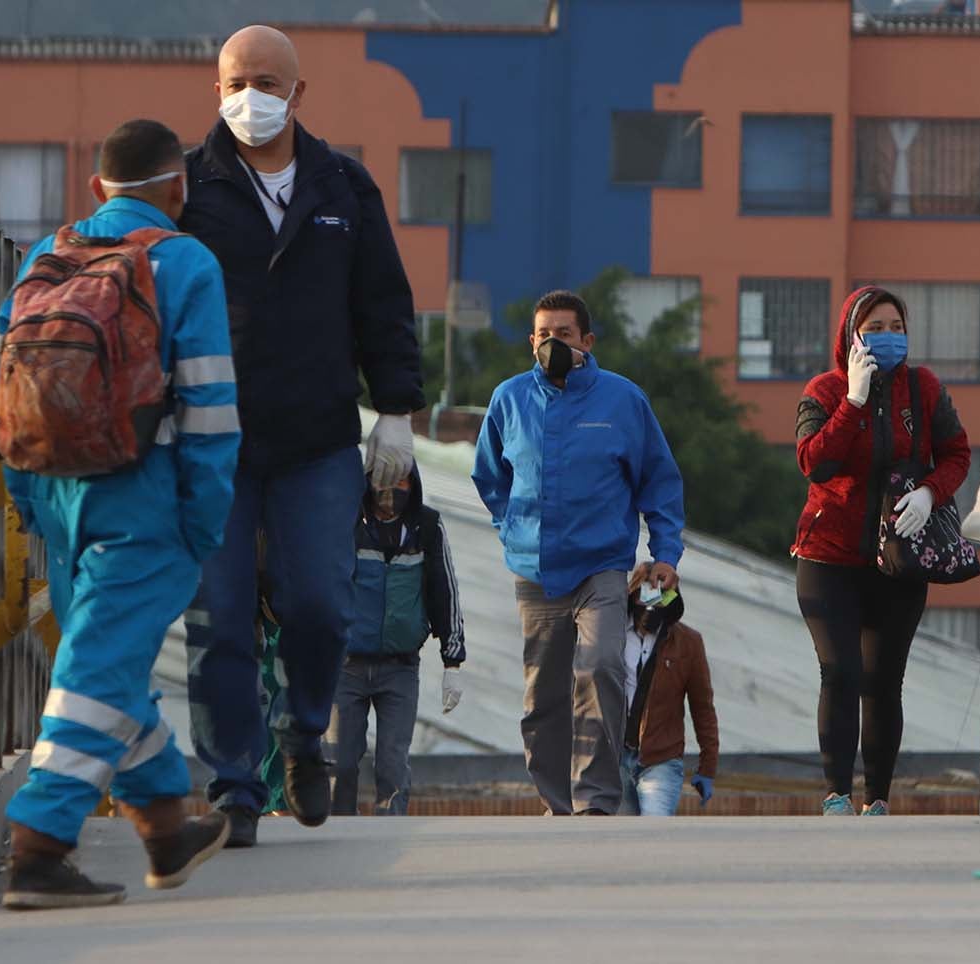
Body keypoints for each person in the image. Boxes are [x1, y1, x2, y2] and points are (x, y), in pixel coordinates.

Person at [180, 24, 424, 846]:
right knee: (219, 617)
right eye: (236, 80)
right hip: (213, 441)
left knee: (320, 607)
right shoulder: (187, 190)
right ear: (216, 91)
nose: (251, 95)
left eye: (267, 81)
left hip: (318, 440)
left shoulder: (343, 188)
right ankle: (234, 788)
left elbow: (384, 305)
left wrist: (397, 410)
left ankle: (302, 735)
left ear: (298, 92)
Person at [0, 119, 240, 908]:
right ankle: (39, 845)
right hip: (148, 499)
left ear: (98, 188)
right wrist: (203, 518)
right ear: (179, 189)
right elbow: (207, 405)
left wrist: (33, 503)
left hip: (61, 499)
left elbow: (7, 398)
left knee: (110, 660)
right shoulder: (187, 262)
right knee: (98, 669)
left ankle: (167, 826)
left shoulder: (46, 258)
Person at [472, 289, 685, 816]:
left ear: (587, 340)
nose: (552, 343)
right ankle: (556, 802)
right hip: (536, 571)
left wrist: (665, 552)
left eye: (563, 334)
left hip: (602, 567)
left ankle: (595, 800)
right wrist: (511, 528)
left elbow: (659, 481)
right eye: (543, 335)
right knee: (543, 696)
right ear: (530, 342)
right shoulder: (509, 399)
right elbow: (489, 476)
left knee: (602, 666)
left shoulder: (623, 401)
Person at [793, 286, 971, 817]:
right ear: (850, 334)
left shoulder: (923, 388)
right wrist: (853, 400)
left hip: (900, 559)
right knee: (841, 671)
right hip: (829, 558)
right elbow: (814, 463)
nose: (889, 336)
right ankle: (836, 794)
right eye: (875, 327)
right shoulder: (824, 390)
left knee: (883, 679)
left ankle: (878, 800)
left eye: (898, 326)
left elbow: (957, 453)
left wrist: (930, 491)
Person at [327, 463, 466, 816]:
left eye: (402, 479)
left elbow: (444, 591)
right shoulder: (345, 524)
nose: (393, 488)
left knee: (392, 765)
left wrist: (453, 661)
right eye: (384, 479)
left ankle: (388, 834)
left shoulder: (427, 527)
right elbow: (324, 588)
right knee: (339, 763)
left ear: (414, 482)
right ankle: (337, 838)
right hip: (346, 667)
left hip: (400, 669)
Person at [618, 565, 718, 816]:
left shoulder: (688, 643)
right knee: (616, 838)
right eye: (647, 592)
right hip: (613, 759)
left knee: (655, 833)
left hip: (660, 759)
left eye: (663, 594)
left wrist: (707, 768)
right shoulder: (611, 634)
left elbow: (702, 707)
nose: (653, 603)